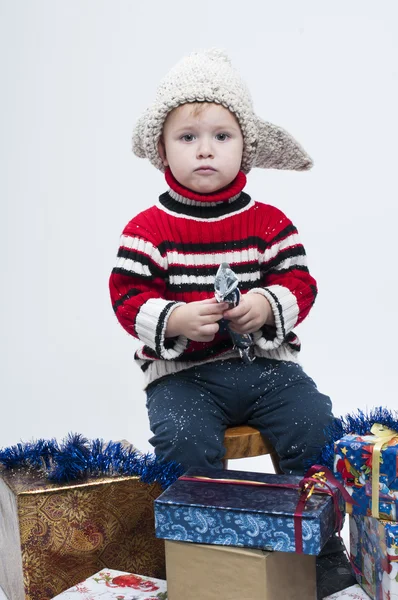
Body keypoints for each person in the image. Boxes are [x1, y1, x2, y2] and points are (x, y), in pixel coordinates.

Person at [109, 49, 355, 598]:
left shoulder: (268, 223)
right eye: (188, 137)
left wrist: (268, 305)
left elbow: (300, 282)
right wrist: (173, 318)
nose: (204, 149)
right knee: (185, 441)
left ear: (245, 147)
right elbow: (127, 296)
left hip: (267, 368)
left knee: (313, 422)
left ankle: (321, 550)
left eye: (221, 136)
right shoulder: (148, 230)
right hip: (184, 376)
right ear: (162, 150)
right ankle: (200, 553)